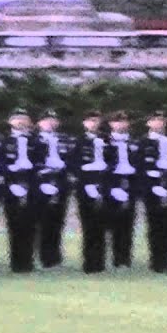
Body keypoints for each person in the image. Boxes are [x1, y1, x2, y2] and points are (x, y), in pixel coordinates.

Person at [1, 108, 39, 273]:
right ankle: (16, 263)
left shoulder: (36, 142)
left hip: (31, 188)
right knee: (14, 225)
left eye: (24, 118)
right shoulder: (4, 142)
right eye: (16, 118)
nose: (21, 121)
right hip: (11, 188)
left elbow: (41, 164)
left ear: (30, 123)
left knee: (30, 226)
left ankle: (28, 262)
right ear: (10, 122)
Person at [35, 109, 73, 269]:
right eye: (46, 119)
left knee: (58, 222)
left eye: (53, 119)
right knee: (43, 222)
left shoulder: (66, 140)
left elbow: (72, 161)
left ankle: (55, 257)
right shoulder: (33, 140)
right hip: (41, 184)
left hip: (61, 184)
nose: (50, 122)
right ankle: (45, 257)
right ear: (39, 123)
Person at [140, 110, 167, 274]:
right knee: (155, 225)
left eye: (162, 120)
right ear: (148, 123)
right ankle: (156, 261)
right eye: (155, 120)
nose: (159, 123)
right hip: (152, 189)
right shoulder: (143, 142)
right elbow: (139, 167)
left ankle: (166, 260)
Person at [73, 110, 108, 274]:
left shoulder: (107, 140)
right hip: (85, 188)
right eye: (90, 120)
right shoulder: (78, 142)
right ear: (84, 123)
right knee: (88, 226)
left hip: (103, 187)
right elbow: (73, 165)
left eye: (96, 120)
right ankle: (89, 263)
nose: (93, 123)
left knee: (101, 226)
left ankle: (100, 262)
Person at [105, 111, 139, 269]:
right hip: (110, 186)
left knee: (127, 224)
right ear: (111, 124)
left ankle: (123, 259)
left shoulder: (134, 142)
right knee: (110, 224)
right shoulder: (104, 141)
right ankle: (109, 257)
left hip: (129, 186)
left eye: (124, 121)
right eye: (117, 121)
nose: (121, 124)